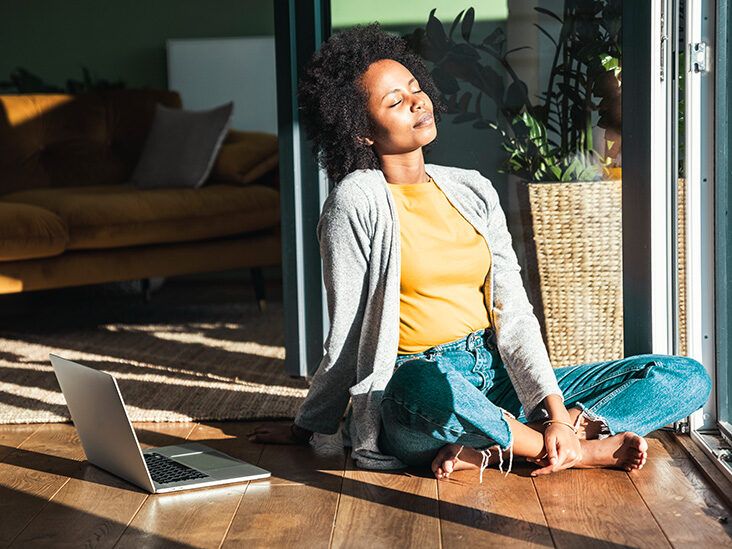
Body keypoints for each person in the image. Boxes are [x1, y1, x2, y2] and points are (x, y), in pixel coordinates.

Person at [247, 23, 712, 483]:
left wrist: (552, 409)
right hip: (416, 386)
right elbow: (347, 334)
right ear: (360, 131)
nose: (415, 101)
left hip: (495, 373)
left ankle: (516, 440)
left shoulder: (472, 189)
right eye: (394, 101)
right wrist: (307, 425)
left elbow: (515, 313)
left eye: (414, 87)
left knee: (684, 376)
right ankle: (578, 450)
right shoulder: (355, 200)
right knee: (424, 390)